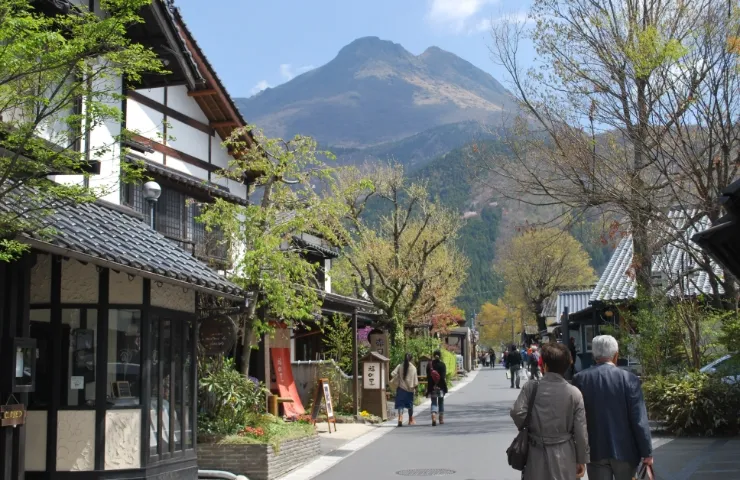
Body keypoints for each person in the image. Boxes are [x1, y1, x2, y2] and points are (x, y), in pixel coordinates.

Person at [573, 335, 653, 480]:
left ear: (594, 355)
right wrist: (646, 452)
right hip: (626, 451)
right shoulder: (629, 379)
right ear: (616, 355)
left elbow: (577, 419)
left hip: (595, 450)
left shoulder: (580, 379)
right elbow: (639, 419)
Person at [510, 343, 589, 480]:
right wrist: (582, 459)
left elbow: (517, 412)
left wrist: (531, 426)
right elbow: (581, 432)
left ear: (544, 365)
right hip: (565, 453)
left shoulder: (531, 388)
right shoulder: (574, 393)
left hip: (536, 450)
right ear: (567, 365)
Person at [391, 352, 418, 426]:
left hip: (401, 389)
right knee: (410, 405)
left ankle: (400, 417)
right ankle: (410, 420)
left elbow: (392, 374)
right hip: (410, 390)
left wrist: (398, 376)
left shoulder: (400, 366)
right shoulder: (413, 368)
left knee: (400, 405)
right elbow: (415, 382)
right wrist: (416, 390)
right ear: (411, 359)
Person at [426, 349, 448, 426]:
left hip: (432, 387)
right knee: (441, 402)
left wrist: (429, 387)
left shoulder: (430, 365)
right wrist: (442, 386)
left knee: (434, 402)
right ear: (440, 356)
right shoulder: (442, 365)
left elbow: (428, 377)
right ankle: (441, 419)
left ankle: (433, 416)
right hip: (441, 387)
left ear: (433, 355)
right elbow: (443, 377)